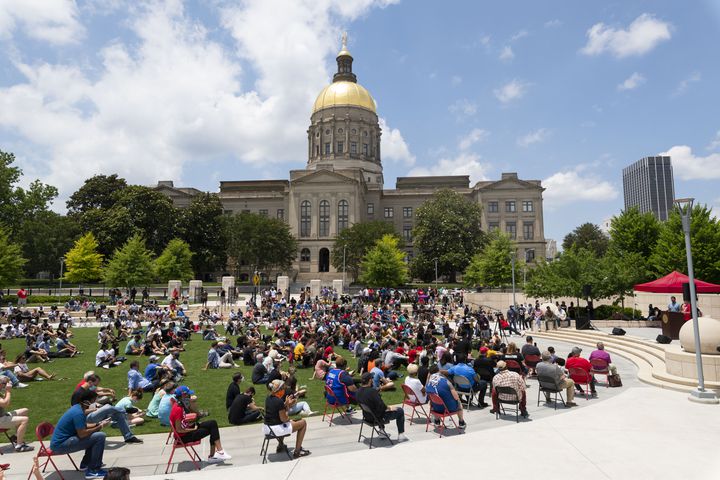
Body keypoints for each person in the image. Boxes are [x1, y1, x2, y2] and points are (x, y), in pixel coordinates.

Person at [50, 389, 108, 479]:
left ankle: (85, 464)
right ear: (86, 401)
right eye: (93, 401)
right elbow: (82, 434)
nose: (95, 403)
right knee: (100, 436)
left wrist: (98, 423)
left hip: (62, 442)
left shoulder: (77, 408)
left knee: (95, 436)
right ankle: (93, 470)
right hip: (60, 446)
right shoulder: (78, 413)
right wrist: (100, 427)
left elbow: (82, 426)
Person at [170, 386, 231, 462]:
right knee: (212, 429)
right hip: (184, 437)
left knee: (212, 423)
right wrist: (193, 429)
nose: (190, 397)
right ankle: (215, 455)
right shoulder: (178, 409)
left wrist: (190, 423)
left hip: (187, 429)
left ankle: (219, 452)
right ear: (184, 395)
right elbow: (179, 430)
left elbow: (190, 416)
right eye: (189, 395)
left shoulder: (179, 405)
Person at [356, 372, 408, 442]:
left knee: (377, 410)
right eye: (372, 378)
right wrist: (390, 408)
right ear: (370, 380)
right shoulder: (372, 392)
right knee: (400, 411)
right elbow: (383, 407)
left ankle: (382, 431)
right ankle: (401, 435)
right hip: (376, 419)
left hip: (367, 417)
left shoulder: (358, 391)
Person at [264, 380, 310, 459]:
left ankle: (280, 445)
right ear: (279, 389)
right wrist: (288, 407)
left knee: (289, 422)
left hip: (267, 427)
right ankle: (297, 452)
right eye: (283, 388)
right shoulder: (278, 401)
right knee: (303, 423)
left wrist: (286, 404)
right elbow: (285, 419)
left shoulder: (268, 398)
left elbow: (277, 410)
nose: (284, 390)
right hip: (275, 429)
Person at [0, 375, 33, 452]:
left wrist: (6, 392)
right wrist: (8, 391)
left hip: (3, 416)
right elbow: (5, 404)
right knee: (24, 420)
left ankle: (16, 437)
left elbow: (4, 401)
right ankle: (19, 446)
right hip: (1, 420)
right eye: (5, 383)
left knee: (25, 410)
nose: (7, 385)